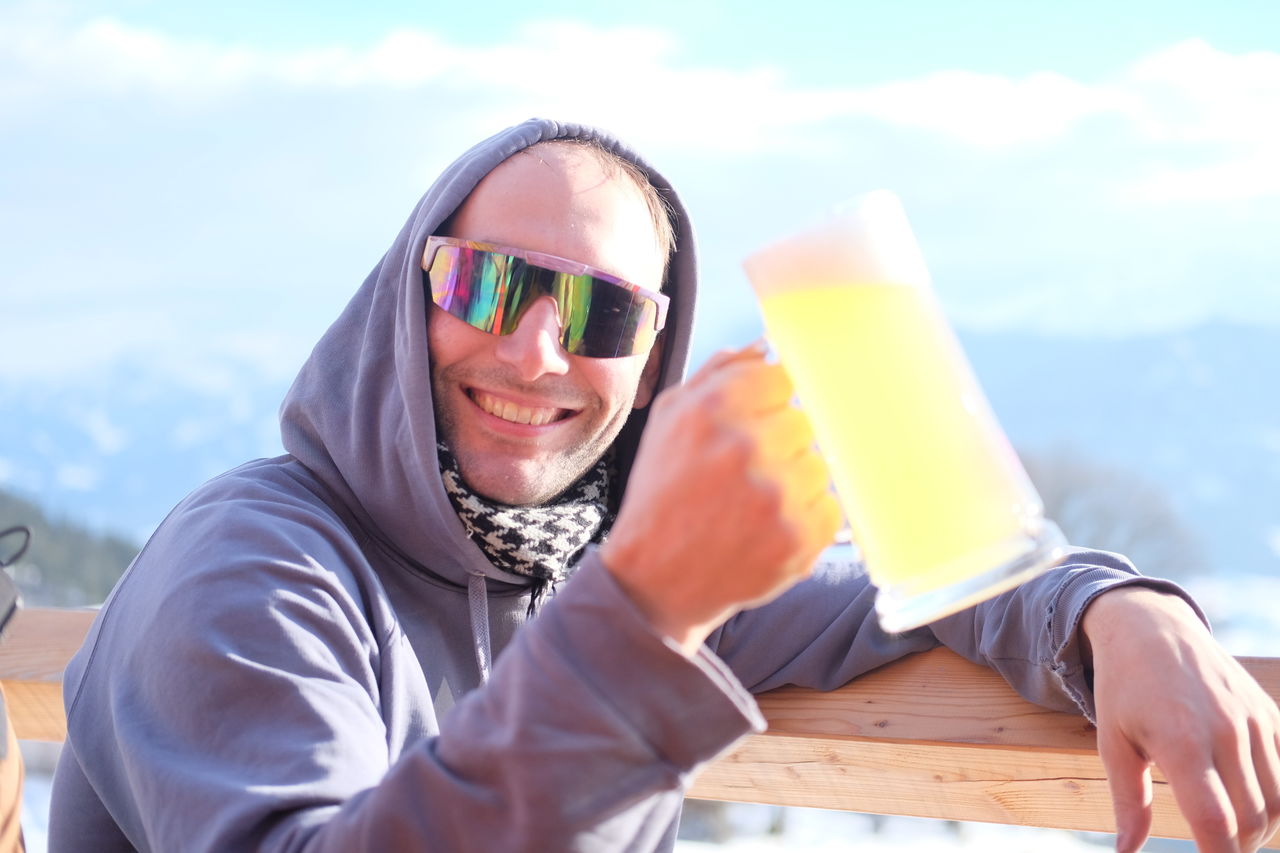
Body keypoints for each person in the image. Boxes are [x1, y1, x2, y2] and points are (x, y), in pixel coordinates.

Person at [50, 119, 1278, 853]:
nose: (533, 350)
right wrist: (639, 618)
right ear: (405, 295)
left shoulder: (581, 563)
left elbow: (910, 591)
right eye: (484, 283)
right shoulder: (255, 562)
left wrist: (1114, 612)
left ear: (648, 368)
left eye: (595, 309)